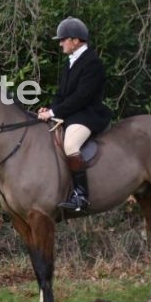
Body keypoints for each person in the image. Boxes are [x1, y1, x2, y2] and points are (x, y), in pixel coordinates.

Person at [37, 17, 113, 212]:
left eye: (63, 39)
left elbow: (82, 97)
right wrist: (50, 110)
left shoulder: (92, 63)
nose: (61, 43)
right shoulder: (70, 62)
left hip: (87, 114)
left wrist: (56, 111)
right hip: (71, 114)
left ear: (76, 41)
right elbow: (61, 93)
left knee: (70, 144)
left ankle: (81, 195)